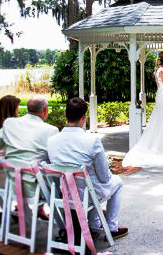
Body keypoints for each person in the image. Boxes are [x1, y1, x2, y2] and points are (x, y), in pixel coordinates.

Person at [47, 97, 128, 239]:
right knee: (117, 182)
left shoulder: (52, 141)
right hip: (88, 195)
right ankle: (112, 228)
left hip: (66, 194)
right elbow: (104, 177)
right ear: (84, 117)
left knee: (89, 183)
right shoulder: (92, 141)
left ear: (65, 116)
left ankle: (94, 225)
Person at [0, 98, 58, 209]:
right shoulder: (51, 130)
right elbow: (55, 162)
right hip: (35, 190)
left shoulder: (10, 124)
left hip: (11, 186)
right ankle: (71, 222)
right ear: (45, 110)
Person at [122, 51, 163, 168]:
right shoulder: (162, 71)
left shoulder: (160, 70)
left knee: (162, 119)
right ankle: (161, 145)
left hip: (162, 95)